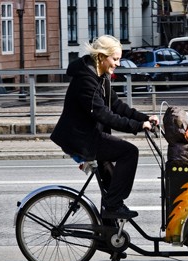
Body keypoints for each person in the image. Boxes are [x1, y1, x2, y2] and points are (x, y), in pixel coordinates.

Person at [50, 35, 159, 220]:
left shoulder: (100, 77)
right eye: (115, 59)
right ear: (101, 57)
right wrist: (138, 126)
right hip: (81, 138)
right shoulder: (87, 80)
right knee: (129, 152)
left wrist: (145, 118)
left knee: (110, 184)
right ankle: (114, 206)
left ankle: (108, 236)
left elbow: (117, 106)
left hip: (90, 135)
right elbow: (104, 115)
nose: (117, 63)